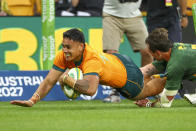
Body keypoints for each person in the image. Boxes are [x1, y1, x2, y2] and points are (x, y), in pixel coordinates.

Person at [10, 28, 163, 107]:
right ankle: (165, 67)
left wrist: (68, 80)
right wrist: (32, 100)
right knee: (144, 73)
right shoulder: (64, 56)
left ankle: (172, 77)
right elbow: (49, 80)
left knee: (141, 93)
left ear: (81, 47)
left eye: (68, 47)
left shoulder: (91, 59)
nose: (64, 50)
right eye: (63, 46)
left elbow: (90, 90)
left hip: (129, 79)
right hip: (119, 60)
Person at [102, 0, 153, 102]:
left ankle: (144, 89)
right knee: (112, 55)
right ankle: (114, 92)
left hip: (134, 16)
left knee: (148, 52)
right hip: (111, 16)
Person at [135, 28, 196, 108]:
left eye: (150, 52)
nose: (149, 54)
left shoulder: (175, 66)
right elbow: (148, 70)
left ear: (158, 53)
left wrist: (147, 104)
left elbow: (164, 103)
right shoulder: (174, 49)